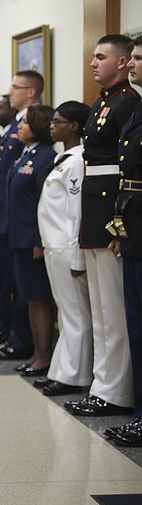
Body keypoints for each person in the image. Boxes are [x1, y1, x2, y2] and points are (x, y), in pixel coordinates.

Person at [66, 34, 140, 417]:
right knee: (100, 309)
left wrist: (119, 225)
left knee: (114, 312)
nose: (93, 63)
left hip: (112, 213)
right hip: (95, 211)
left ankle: (117, 391)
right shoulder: (102, 102)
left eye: (101, 57)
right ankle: (102, 384)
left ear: (123, 62)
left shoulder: (128, 103)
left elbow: (127, 170)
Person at [34, 101, 92, 395]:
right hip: (53, 246)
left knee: (74, 314)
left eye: (58, 121)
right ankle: (62, 369)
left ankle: (73, 376)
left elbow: (76, 212)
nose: (52, 126)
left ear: (74, 127)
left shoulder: (78, 161)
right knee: (66, 313)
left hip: (66, 248)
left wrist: (76, 255)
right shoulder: (64, 158)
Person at [0, 70, 42, 360]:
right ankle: (8, 330)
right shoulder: (14, 125)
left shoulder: (33, 124)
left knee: (19, 287)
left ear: (31, 92)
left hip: (15, 219)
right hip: (3, 215)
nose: (9, 93)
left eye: (16, 88)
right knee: (4, 280)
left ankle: (20, 338)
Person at [105, 36, 142, 445]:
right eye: (131, 56)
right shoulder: (138, 107)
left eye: (138, 58)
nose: (131, 63)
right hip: (133, 228)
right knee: (136, 326)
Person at [6, 105, 58, 377]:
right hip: (18, 238)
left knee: (39, 298)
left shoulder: (47, 156)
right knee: (28, 297)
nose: (19, 127)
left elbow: (44, 203)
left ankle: (45, 356)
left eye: (25, 123)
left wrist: (39, 240)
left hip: (33, 240)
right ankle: (37, 352)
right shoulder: (26, 154)